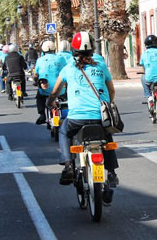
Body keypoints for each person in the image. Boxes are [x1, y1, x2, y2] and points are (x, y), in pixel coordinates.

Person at [47, 31, 119, 198]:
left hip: (77, 118)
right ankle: (111, 173)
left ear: (74, 50)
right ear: (92, 48)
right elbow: (111, 91)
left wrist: (50, 102)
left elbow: (55, 91)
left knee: (64, 131)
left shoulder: (68, 68)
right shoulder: (100, 66)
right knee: (106, 138)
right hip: (100, 116)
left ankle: (68, 165)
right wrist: (107, 104)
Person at [34, 40, 66, 124]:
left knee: (39, 98)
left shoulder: (40, 60)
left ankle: (42, 115)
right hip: (60, 89)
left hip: (45, 89)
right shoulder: (61, 58)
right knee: (66, 98)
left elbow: (36, 74)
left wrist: (35, 80)